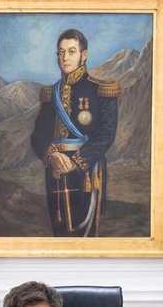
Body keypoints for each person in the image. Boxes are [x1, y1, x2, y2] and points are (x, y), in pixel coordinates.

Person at [30, 28, 120, 237]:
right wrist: (52, 155)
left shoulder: (101, 91)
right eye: (61, 52)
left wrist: (76, 162)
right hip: (55, 171)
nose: (65, 58)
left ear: (84, 55)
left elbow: (106, 135)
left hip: (86, 170)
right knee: (60, 233)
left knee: (85, 235)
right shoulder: (51, 94)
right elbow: (38, 136)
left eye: (71, 51)